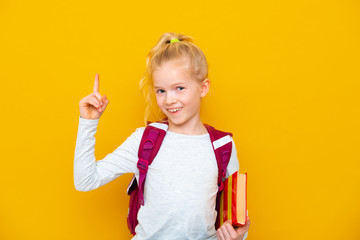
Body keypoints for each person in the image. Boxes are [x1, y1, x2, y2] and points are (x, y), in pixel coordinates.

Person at [74, 32, 251, 240]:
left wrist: (240, 236)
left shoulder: (223, 146)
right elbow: (86, 180)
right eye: (161, 91)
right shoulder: (145, 140)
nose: (169, 100)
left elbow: (234, 221)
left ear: (203, 87)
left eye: (180, 88)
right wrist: (88, 122)